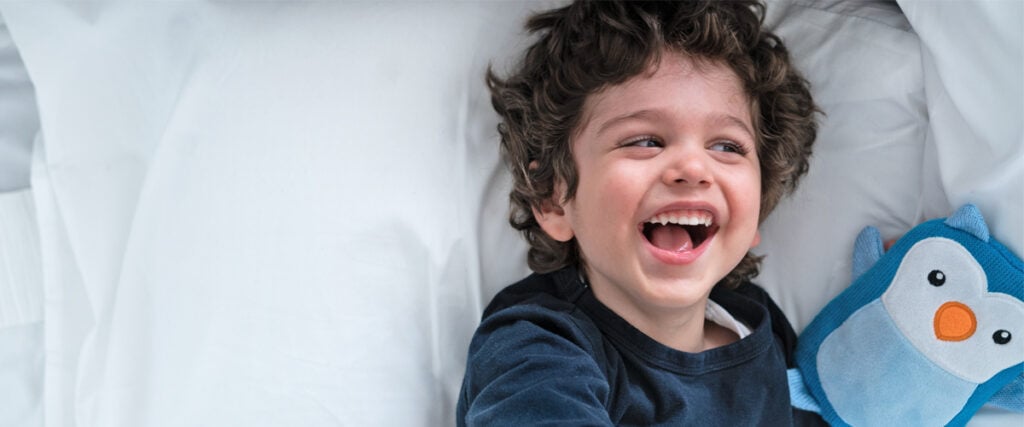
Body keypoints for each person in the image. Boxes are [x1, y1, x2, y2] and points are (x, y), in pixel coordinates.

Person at [457, 1, 821, 425]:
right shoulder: (537, 347)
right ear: (554, 200)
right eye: (645, 141)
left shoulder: (757, 323)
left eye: (727, 146)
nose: (692, 169)